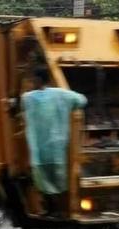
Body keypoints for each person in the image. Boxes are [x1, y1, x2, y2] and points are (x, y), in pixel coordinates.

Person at [22, 67, 87, 215]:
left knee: (42, 179)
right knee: (58, 179)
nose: (31, 82)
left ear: (37, 80)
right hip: (57, 148)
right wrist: (70, 108)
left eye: (33, 80)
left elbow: (19, 104)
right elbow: (81, 100)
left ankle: (51, 208)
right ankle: (58, 208)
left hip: (39, 150)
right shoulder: (61, 94)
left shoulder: (28, 98)